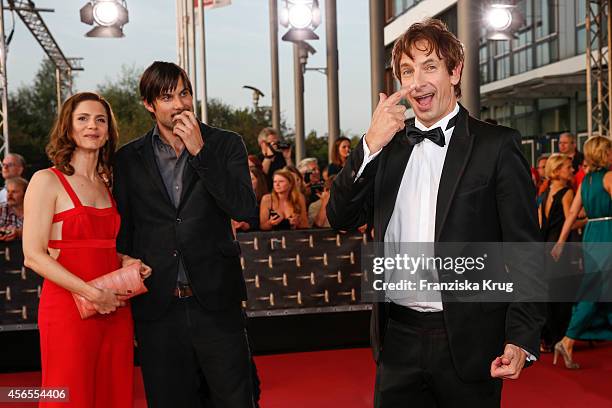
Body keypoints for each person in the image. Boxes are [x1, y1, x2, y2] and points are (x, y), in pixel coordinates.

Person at [327, 19, 545, 407]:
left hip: (470, 340)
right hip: (397, 338)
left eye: (430, 66)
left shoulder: (496, 146)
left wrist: (521, 337)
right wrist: (369, 145)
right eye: (407, 71)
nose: (417, 82)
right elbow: (339, 215)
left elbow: (525, 250)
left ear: (455, 71)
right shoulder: (386, 150)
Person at [113, 61, 257, 407]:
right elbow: (126, 231)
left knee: (236, 399)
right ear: (149, 105)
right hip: (158, 307)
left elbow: (243, 208)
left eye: (184, 93)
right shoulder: (128, 159)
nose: (179, 104)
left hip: (216, 302)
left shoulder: (225, 145)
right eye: (167, 97)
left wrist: (200, 153)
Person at [22, 92, 152, 408]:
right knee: (68, 393)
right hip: (67, 308)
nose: (92, 126)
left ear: (108, 130)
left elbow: (101, 244)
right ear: (68, 127)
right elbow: (34, 255)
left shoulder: (108, 183)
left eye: (100, 119)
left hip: (115, 309)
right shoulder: (46, 180)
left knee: (113, 391)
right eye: (83, 119)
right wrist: (92, 294)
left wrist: (127, 262)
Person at [551, 135, 612, 369]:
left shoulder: (585, 181)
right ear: (604, 154)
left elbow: (571, 216)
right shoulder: (608, 177)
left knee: (597, 288)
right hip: (607, 234)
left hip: (591, 237)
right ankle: (568, 339)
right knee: (595, 290)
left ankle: (568, 339)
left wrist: (559, 242)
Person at [538, 154, 577, 353]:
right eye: (568, 167)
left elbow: (539, 225)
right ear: (557, 171)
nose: (572, 170)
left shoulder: (544, 194)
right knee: (563, 294)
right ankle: (560, 337)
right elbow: (569, 222)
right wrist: (593, 220)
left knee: (549, 293)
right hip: (561, 248)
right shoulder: (566, 193)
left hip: (545, 247)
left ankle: (548, 339)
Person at [233, 167, 268, 232]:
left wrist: (246, 225)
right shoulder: (239, 197)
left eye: (251, 179)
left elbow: (259, 222)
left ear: (259, 180)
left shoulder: (266, 199)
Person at [0, 177, 28, 241]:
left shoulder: (34, 210)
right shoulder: (2, 209)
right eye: (8, 191)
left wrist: (19, 233)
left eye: (14, 192)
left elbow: (40, 232)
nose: (9, 195)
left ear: (25, 194)